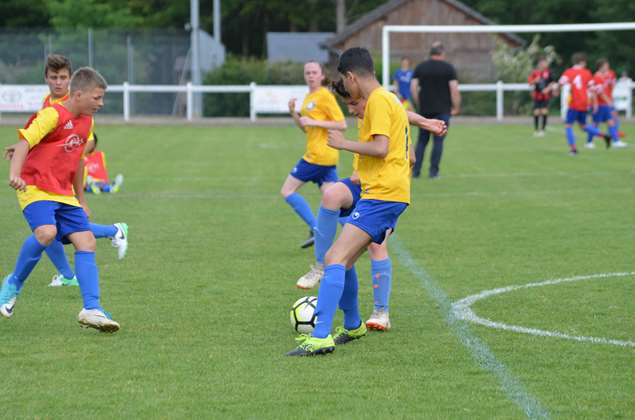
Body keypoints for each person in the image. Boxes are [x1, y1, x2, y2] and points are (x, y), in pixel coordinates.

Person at [287, 47, 411, 356]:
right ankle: (353, 324)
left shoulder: (379, 100)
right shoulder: (387, 98)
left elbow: (381, 148)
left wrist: (344, 144)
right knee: (344, 261)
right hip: (382, 193)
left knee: (334, 259)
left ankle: (320, 337)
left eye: (344, 80)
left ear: (351, 76)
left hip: (382, 195)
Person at [295, 79, 446, 332]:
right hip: (362, 184)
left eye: (354, 103)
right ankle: (322, 269)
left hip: (383, 190)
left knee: (373, 247)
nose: (352, 109)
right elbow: (402, 113)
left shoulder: (379, 106)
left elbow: (404, 147)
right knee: (331, 197)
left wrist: (416, 135)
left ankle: (380, 311)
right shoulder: (368, 110)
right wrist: (425, 122)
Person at [1, 67, 120, 332]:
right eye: (97, 97)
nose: (101, 103)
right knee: (46, 232)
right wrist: (14, 174)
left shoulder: (87, 122)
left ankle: (91, 309)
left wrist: (81, 199)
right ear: (78, 95)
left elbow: (77, 161)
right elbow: (24, 143)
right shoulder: (52, 114)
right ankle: (13, 284)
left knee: (86, 241)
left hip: (63, 191)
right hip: (35, 185)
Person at [10, 55, 128, 288]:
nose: (58, 82)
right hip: (45, 178)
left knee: (55, 230)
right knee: (49, 230)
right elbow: (40, 137)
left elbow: (82, 148)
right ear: (46, 78)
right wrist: (25, 147)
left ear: (71, 80)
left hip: (63, 179)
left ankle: (112, 232)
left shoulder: (80, 104)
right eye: (53, 77)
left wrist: (81, 196)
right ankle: (70, 273)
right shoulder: (48, 103)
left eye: (63, 77)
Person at [282, 61, 347, 249]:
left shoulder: (325, 96)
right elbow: (306, 128)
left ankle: (315, 227)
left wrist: (314, 122)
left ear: (322, 75)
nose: (310, 75)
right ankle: (361, 235)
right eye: (307, 72)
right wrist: (293, 113)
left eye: (314, 72)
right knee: (333, 199)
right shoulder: (309, 96)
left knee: (287, 191)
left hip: (317, 155)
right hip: (326, 156)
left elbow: (342, 124)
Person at [410, 42, 460, 179]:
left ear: (430, 53)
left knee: (422, 141)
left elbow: (413, 87)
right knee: (438, 141)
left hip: (425, 110)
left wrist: (419, 104)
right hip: (443, 110)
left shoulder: (421, 67)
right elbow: (454, 89)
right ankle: (434, 172)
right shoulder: (448, 68)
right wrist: (456, 107)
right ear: (442, 53)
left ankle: (415, 172)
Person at [559, 52, 611, 155]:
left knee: (568, 125)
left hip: (574, 103)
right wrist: (596, 100)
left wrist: (555, 89)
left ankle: (573, 149)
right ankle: (604, 135)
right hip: (584, 103)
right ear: (582, 62)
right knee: (583, 126)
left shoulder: (569, 72)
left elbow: (561, 82)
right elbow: (592, 88)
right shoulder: (587, 73)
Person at [590, 59, 627, 148]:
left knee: (612, 121)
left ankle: (616, 140)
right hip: (600, 103)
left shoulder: (608, 74)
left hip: (606, 103)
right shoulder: (596, 77)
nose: (607, 67)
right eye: (606, 66)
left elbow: (611, 87)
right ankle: (589, 142)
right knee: (596, 123)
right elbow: (598, 93)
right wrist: (606, 102)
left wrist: (610, 99)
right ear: (600, 67)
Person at [528, 57, 557, 137]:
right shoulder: (535, 73)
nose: (544, 65)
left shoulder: (549, 72)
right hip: (537, 95)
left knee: (544, 111)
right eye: (543, 63)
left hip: (545, 95)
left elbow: (553, 82)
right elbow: (530, 83)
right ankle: (536, 130)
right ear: (539, 64)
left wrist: (547, 89)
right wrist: (535, 81)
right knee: (536, 112)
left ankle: (542, 130)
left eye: (545, 63)